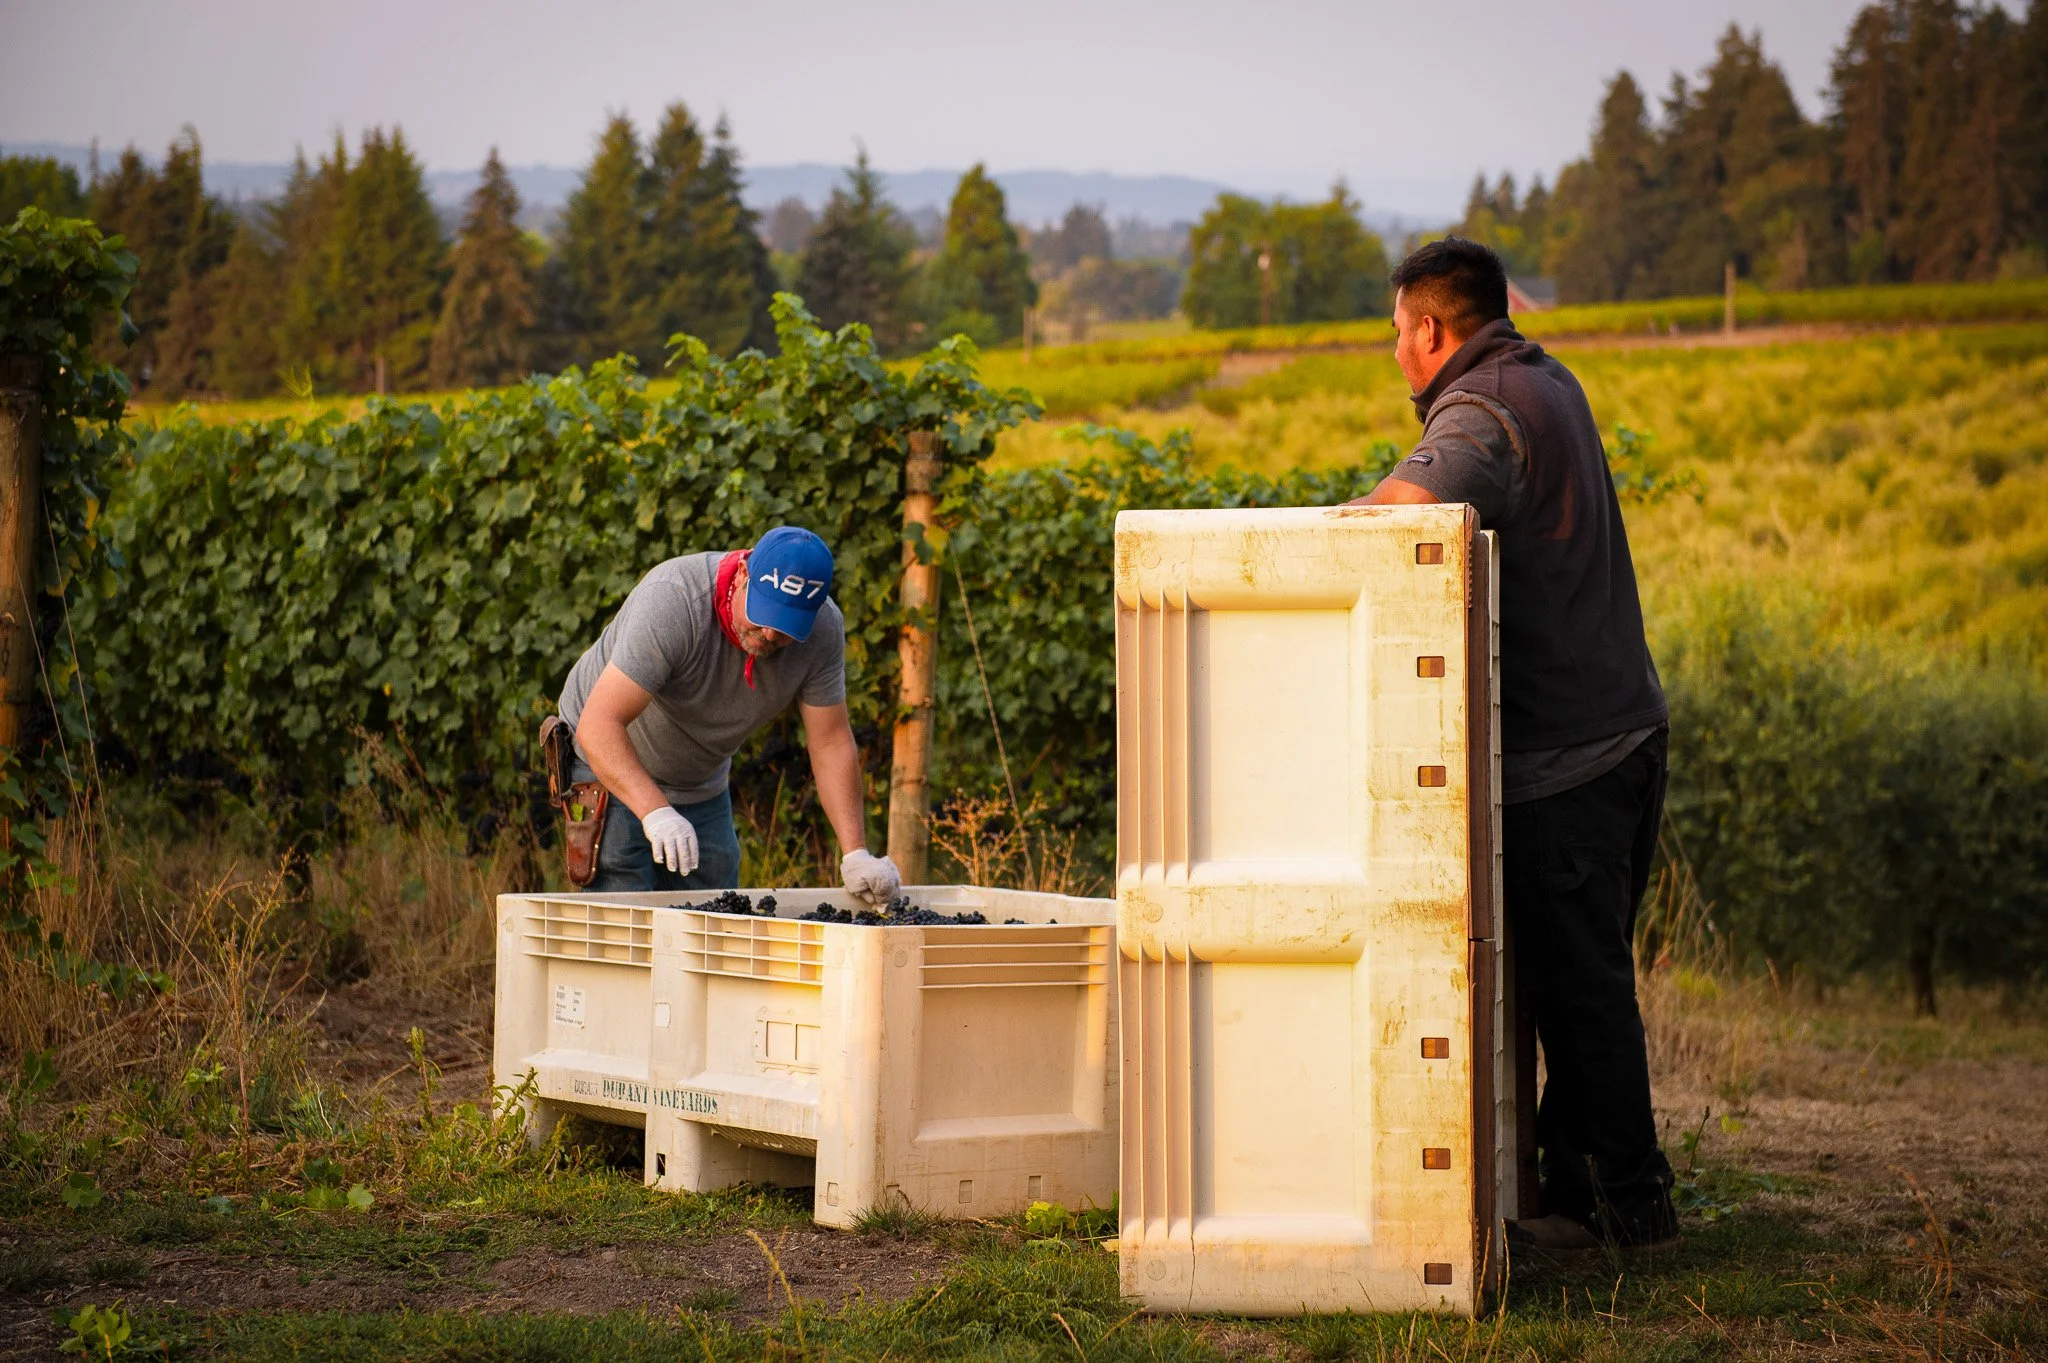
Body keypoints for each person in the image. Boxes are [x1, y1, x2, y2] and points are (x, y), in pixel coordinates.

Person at [1353, 237, 1679, 1251]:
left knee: (1580, 993)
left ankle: (1628, 1210)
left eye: (1396, 332)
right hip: (1619, 732)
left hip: (1568, 756)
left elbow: (1396, 519)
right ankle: (1580, 1195)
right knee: (1578, 979)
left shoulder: (1482, 409)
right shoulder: (1545, 378)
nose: (1395, 352)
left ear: (1429, 328)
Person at [555, 525, 901, 905]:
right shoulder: (675, 600)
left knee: (717, 908)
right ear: (742, 574)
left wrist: (855, 854)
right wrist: (655, 812)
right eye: (764, 613)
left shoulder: (822, 632)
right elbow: (598, 725)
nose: (770, 634)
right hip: (605, 760)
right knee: (623, 908)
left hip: (700, 777)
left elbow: (830, 741)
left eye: (786, 627)